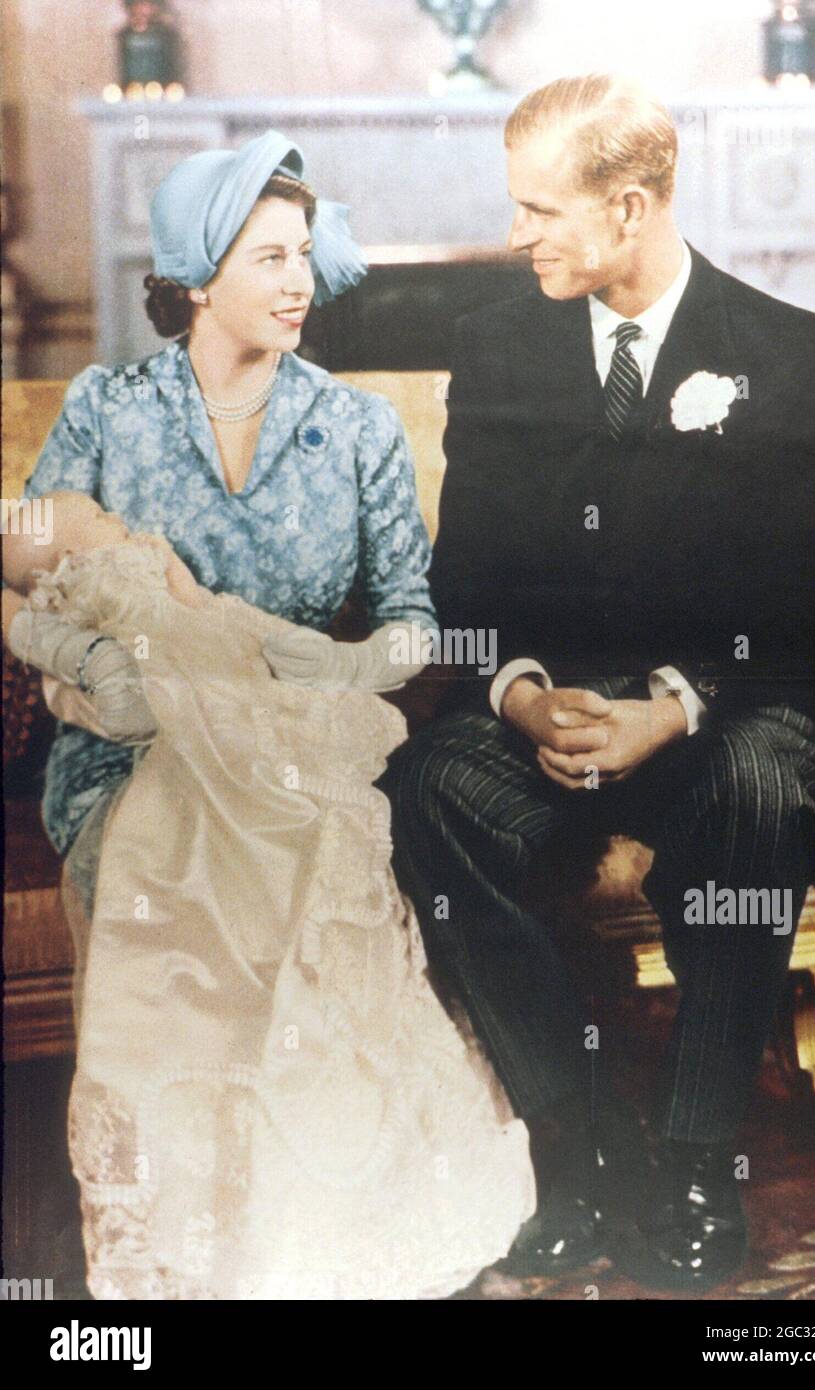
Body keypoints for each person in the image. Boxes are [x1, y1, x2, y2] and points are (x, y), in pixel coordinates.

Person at [2, 133, 536, 1298]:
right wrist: (95, 652)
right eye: (266, 258)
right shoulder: (108, 407)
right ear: (198, 277)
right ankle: (194, 1255)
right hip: (132, 749)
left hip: (299, 747)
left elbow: (409, 623)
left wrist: (326, 679)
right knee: (159, 864)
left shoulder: (354, 431)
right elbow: (21, 579)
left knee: (305, 862)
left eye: (303, 255)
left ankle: (328, 1239)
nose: (297, 282)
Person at [378, 73, 815, 1291]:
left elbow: (813, 604)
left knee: (766, 789)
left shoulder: (796, 358)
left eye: (539, 210)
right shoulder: (494, 347)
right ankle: (585, 1142)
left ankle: (701, 1155)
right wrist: (517, 691)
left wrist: (672, 703)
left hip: (716, 709)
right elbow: (469, 577)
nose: (515, 237)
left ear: (629, 206)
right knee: (419, 795)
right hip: (549, 708)